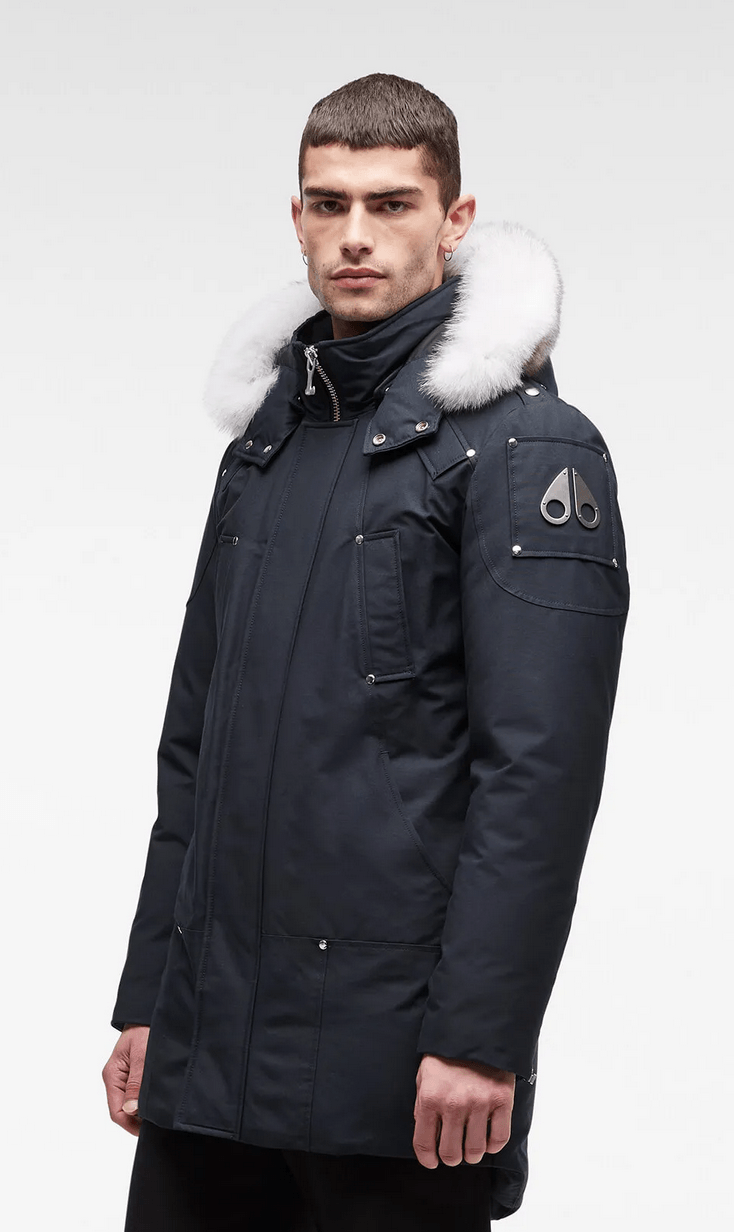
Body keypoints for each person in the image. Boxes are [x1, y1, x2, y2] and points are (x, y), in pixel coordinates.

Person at [102, 73, 630, 1230]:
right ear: (294, 217)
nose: (353, 234)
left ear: (453, 219)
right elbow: (195, 749)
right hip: (210, 1051)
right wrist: (149, 993)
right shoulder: (263, 446)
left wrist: (480, 1037)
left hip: (393, 1068)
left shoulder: (524, 446)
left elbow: (535, 776)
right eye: (326, 202)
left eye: (390, 204)